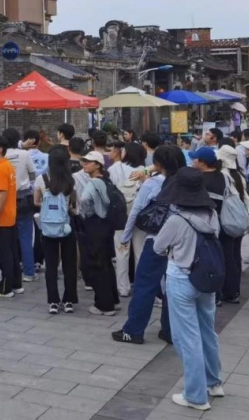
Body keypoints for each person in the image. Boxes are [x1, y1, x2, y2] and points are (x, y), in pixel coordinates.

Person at [152, 167, 223, 411]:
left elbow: (157, 247)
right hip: (207, 277)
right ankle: (214, 382)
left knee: (187, 338)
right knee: (207, 331)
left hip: (181, 278)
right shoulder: (212, 215)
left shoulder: (176, 220)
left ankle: (195, 395)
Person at [112, 144, 182, 344]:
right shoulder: (186, 182)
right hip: (181, 242)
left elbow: (136, 211)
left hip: (157, 241)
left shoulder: (153, 184)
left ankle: (133, 330)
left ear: (158, 163)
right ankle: (169, 330)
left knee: (145, 285)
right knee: (172, 287)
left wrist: (125, 237)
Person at [35, 145, 79, 313]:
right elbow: (74, 204)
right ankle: (68, 300)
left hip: (48, 226)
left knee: (51, 264)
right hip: (66, 225)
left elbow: (36, 202)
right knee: (69, 264)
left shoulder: (42, 179)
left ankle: (53, 301)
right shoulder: (71, 181)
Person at [78, 151, 118, 316]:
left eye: (88, 161)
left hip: (95, 225)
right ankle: (113, 300)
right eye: (84, 161)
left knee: (97, 264)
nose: (85, 164)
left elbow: (84, 199)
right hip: (107, 225)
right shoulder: (106, 180)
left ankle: (104, 305)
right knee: (106, 263)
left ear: (98, 165)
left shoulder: (93, 182)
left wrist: (87, 213)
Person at [0, 136, 21, 299]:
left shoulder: (1, 168)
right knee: (12, 251)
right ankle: (16, 283)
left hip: (2, 217)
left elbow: (2, 194)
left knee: (2, 253)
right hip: (9, 215)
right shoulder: (7, 165)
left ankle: (5, 288)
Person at [110, 142, 145, 297]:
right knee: (140, 251)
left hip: (121, 215)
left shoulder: (115, 169)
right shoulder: (145, 170)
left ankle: (122, 287)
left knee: (121, 251)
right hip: (140, 215)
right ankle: (140, 285)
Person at [215, 144, 248, 304]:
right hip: (238, 220)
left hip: (227, 221)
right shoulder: (239, 176)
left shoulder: (223, 176)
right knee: (235, 256)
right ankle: (235, 289)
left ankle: (228, 291)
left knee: (227, 256)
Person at [4, 129, 37, 282]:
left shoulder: (2, 156)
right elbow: (33, 173)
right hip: (24, 197)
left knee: (9, 237)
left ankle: (11, 269)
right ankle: (29, 272)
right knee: (25, 237)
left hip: (6, 197)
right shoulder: (25, 154)